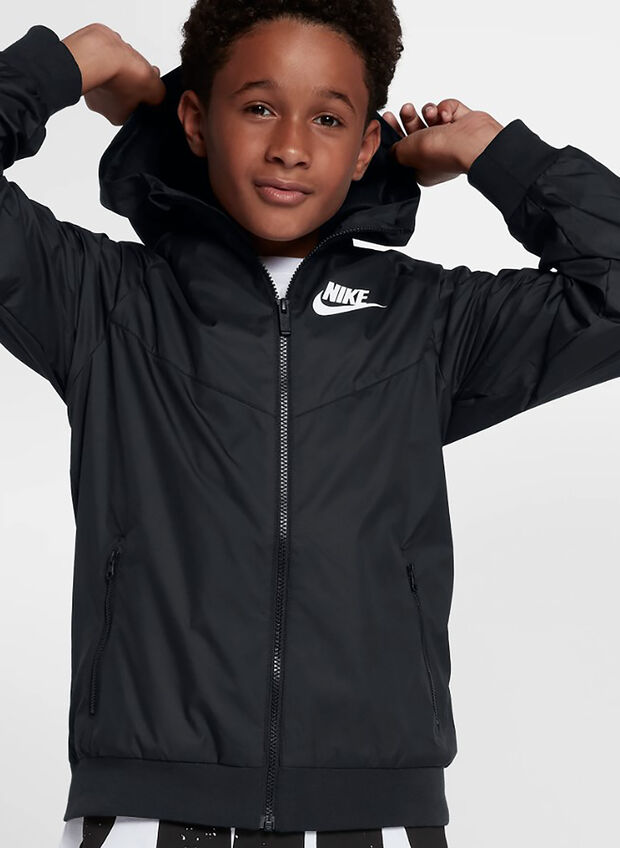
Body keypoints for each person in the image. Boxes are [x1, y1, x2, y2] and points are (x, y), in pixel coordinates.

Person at [1, 0, 619, 846]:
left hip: (376, 817)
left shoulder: (429, 322)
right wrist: (71, 62)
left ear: (366, 145)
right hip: (148, 811)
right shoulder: (104, 303)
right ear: (195, 119)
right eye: (259, 107)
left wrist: (494, 153)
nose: (291, 146)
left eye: (329, 118)